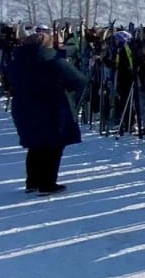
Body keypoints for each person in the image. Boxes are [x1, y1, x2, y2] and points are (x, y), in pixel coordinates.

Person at [7, 32, 87, 196]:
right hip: (51, 107)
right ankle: (47, 183)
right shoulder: (53, 61)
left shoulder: (16, 62)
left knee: (35, 145)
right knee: (53, 146)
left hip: (23, 107)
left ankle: (32, 181)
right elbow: (79, 80)